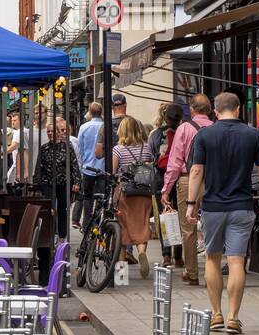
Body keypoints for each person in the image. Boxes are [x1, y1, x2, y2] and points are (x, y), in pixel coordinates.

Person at [187, 92, 259, 335]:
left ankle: (216, 315)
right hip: (242, 206)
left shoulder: (204, 135)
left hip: (213, 207)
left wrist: (192, 203)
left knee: (213, 258)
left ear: (215, 111)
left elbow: (196, 171)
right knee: (236, 260)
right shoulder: (252, 134)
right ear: (238, 109)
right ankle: (234, 317)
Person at [162, 94, 214, 286]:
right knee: (213, 225)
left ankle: (192, 272)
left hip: (187, 180)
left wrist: (166, 189)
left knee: (188, 227)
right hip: (213, 180)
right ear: (209, 110)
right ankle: (213, 269)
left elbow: (175, 162)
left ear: (192, 109)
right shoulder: (215, 128)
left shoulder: (184, 128)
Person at [112, 114, 154, 279]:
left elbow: (113, 172)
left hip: (125, 192)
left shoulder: (118, 149)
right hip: (143, 193)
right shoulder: (146, 147)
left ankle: (121, 275)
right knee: (142, 224)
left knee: (122, 229)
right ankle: (142, 252)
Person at [148, 104, 184, 268]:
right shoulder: (185, 131)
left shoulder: (155, 134)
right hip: (181, 178)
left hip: (161, 178)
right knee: (180, 216)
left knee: (165, 216)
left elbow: (150, 155)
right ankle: (178, 255)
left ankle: (166, 255)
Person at [34, 118, 82, 240]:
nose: (50, 133)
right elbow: (39, 166)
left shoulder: (67, 147)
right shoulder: (44, 148)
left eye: (52, 131)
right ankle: (51, 233)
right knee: (50, 208)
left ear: (58, 132)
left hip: (63, 182)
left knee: (63, 209)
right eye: (48, 131)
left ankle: (62, 235)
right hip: (47, 182)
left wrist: (77, 181)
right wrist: (36, 183)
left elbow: (74, 165)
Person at [74, 102, 106, 229]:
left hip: (87, 168)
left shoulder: (84, 127)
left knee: (87, 197)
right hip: (102, 167)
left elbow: (80, 147)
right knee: (101, 197)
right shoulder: (105, 126)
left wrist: (81, 165)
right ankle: (98, 223)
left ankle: (86, 223)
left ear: (90, 112)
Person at [95, 92, 129, 160]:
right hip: (133, 167)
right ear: (125, 105)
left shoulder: (105, 125)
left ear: (112, 107)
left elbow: (98, 153)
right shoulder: (136, 123)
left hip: (112, 166)